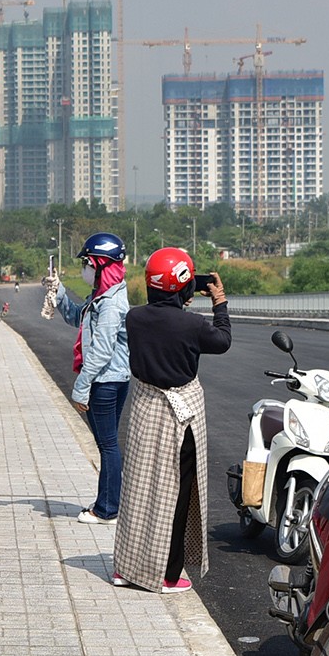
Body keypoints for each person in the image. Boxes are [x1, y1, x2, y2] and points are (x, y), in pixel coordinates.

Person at [110, 248, 230, 593]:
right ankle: (167, 574)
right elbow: (222, 341)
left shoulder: (134, 318)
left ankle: (127, 568)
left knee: (137, 488)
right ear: (182, 285)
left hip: (145, 409)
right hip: (180, 414)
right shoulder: (192, 324)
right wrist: (219, 302)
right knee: (176, 494)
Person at [45, 232, 132, 524]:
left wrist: (81, 387)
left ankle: (107, 509)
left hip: (106, 382)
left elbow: (102, 351)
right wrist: (59, 293)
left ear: (101, 265)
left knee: (108, 445)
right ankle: (107, 503)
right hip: (107, 380)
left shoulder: (111, 305)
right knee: (106, 444)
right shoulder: (102, 296)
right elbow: (76, 318)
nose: (86, 269)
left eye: (88, 264)